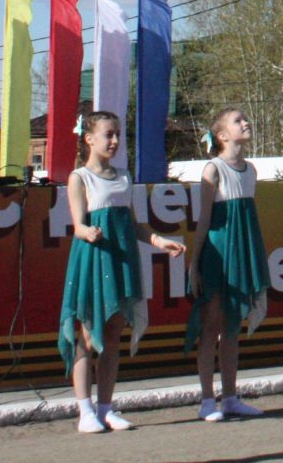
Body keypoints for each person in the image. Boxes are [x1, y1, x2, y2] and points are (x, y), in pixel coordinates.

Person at [59, 111, 185, 433]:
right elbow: (78, 224)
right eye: (108, 135)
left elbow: (133, 223)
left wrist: (159, 241)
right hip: (94, 259)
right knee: (88, 335)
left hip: (121, 259)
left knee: (114, 334)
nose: (115, 141)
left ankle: (106, 408)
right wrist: (87, 231)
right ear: (89, 139)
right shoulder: (80, 177)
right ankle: (84, 410)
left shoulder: (124, 177)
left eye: (118, 135)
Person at [186, 108, 270, 423]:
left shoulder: (251, 171)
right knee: (211, 327)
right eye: (238, 121)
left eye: (245, 118)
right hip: (217, 255)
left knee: (232, 328)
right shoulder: (213, 170)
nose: (246, 122)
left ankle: (231, 397)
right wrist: (195, 264)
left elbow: (248, 217)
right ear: (222, 136)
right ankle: (208, 400)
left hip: (242, 252)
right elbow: (204, 219)